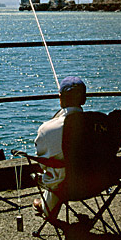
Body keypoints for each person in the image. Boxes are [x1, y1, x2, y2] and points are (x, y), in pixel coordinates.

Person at [33, 75, 86, 216]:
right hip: (94, 184)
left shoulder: (47, 129)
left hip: (65, 186)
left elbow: (42, 161)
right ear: (84, 98)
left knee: (54, 172)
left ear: (61, 98)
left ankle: (47, 208)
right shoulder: (97, 123)